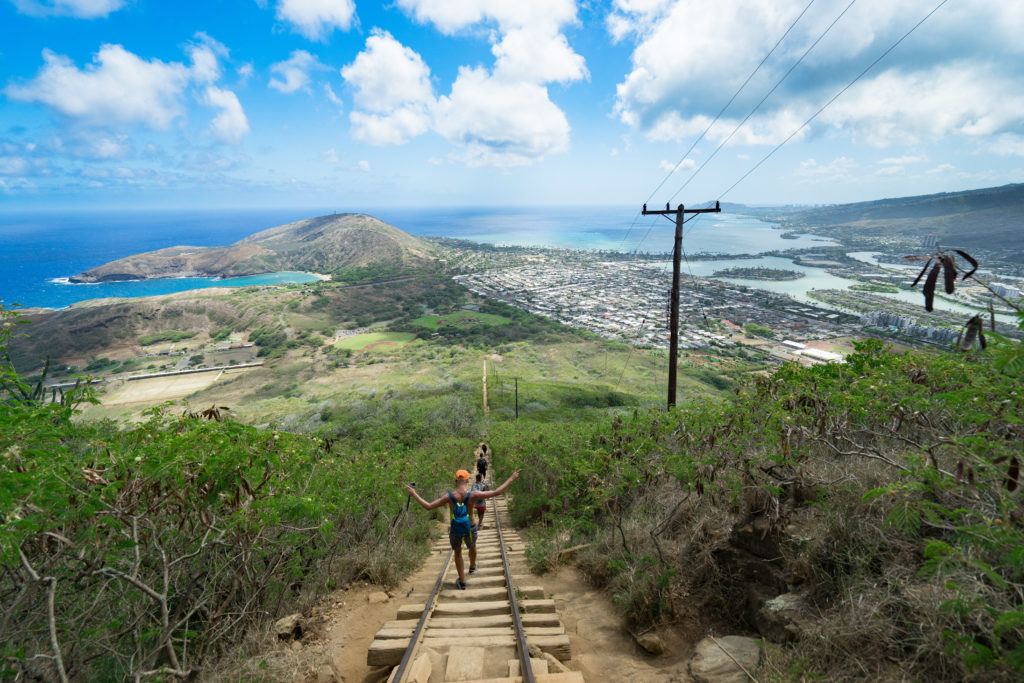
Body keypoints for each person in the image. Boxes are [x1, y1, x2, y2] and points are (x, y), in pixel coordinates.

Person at [406, 468, 520, 589]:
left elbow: (428, 506)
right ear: (467, 480)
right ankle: (472, 566)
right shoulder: (473, 494)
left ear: (456, 481)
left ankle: (462, 580)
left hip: (455, 529)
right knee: (472, 546)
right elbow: (496, 492)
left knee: (458, 552)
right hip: (470, 526)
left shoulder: (449, 497)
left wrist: (414, 494)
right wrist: (511, 478)